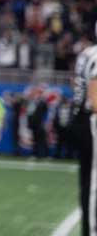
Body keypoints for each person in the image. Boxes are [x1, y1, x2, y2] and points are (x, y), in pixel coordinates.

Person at [72, 25, 97, 236]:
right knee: (94, 182)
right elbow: (95, 97)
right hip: (92, 121)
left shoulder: (86, 53)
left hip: (82, 118)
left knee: (88, 179)